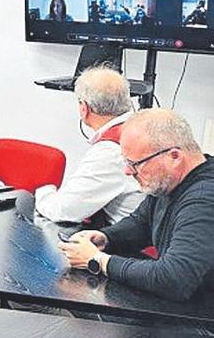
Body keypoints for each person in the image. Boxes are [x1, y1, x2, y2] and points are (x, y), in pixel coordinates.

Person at [59, 108, 214, 302]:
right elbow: (142, 223)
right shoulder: (170, 181)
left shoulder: (204, 199)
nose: (127, 171)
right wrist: (105, 238)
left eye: (136, 163)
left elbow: (174, 279)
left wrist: (98, 260)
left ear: (174, 156)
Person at [32, 67, 144, 227]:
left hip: (133, 239)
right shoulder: (142, 127)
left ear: (84, 108)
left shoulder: (110, 151)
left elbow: (64, 210)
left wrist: (44, 192)